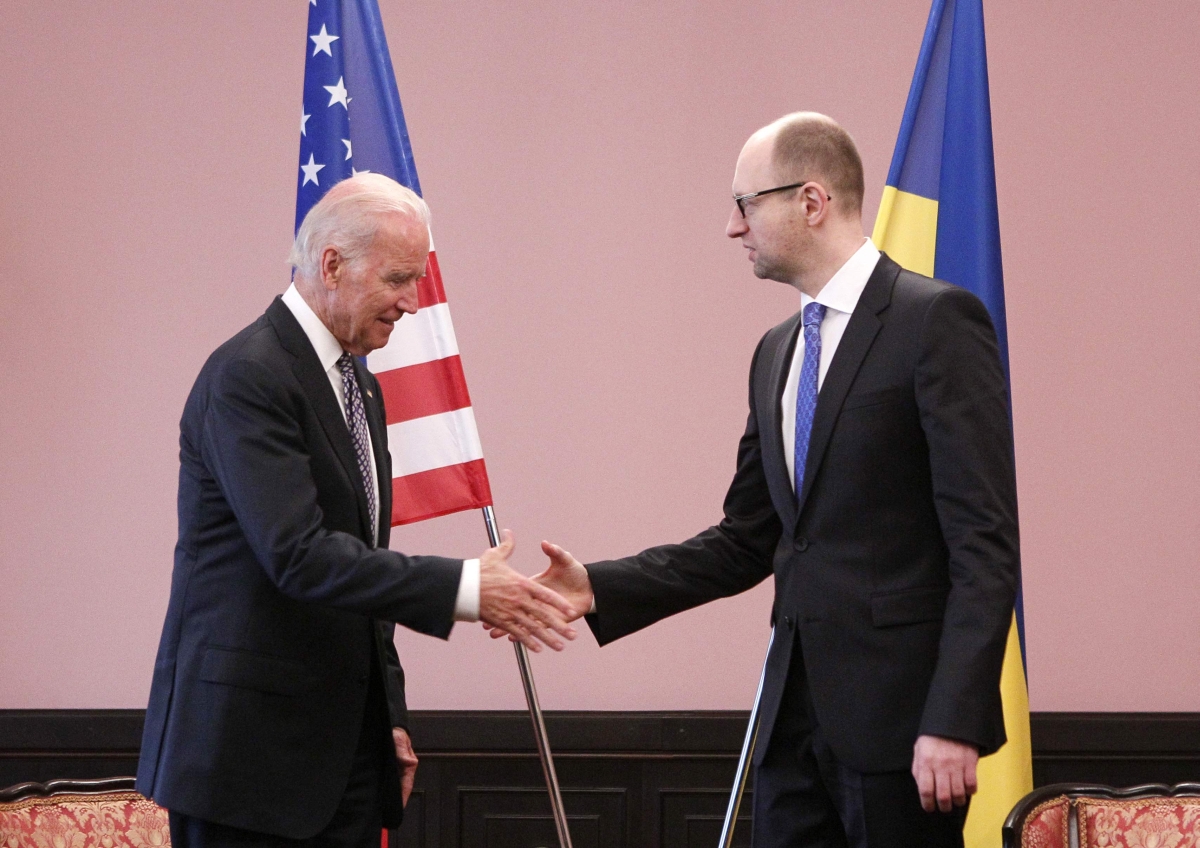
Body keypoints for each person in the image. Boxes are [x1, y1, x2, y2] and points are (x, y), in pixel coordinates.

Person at [517, 113, 1019, 848]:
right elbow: (747, 541)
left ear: (811, 201)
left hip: (905, 730)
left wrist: (954, 718)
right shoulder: (777, 352)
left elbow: (984, 545)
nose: (732, 226)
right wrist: (599, 586)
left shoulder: (935, 322)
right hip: (790, 727)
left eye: (746, 204)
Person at [136, 173, 576, 848]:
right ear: (332, 264)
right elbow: (300, 555)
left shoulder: (359, 387)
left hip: (344, 763)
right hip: (247, 768)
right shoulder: (249, 374)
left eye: (416, 280)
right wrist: (465, 588)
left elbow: (362, 565)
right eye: (398, 279)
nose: (412, 302)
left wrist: (387, 718)